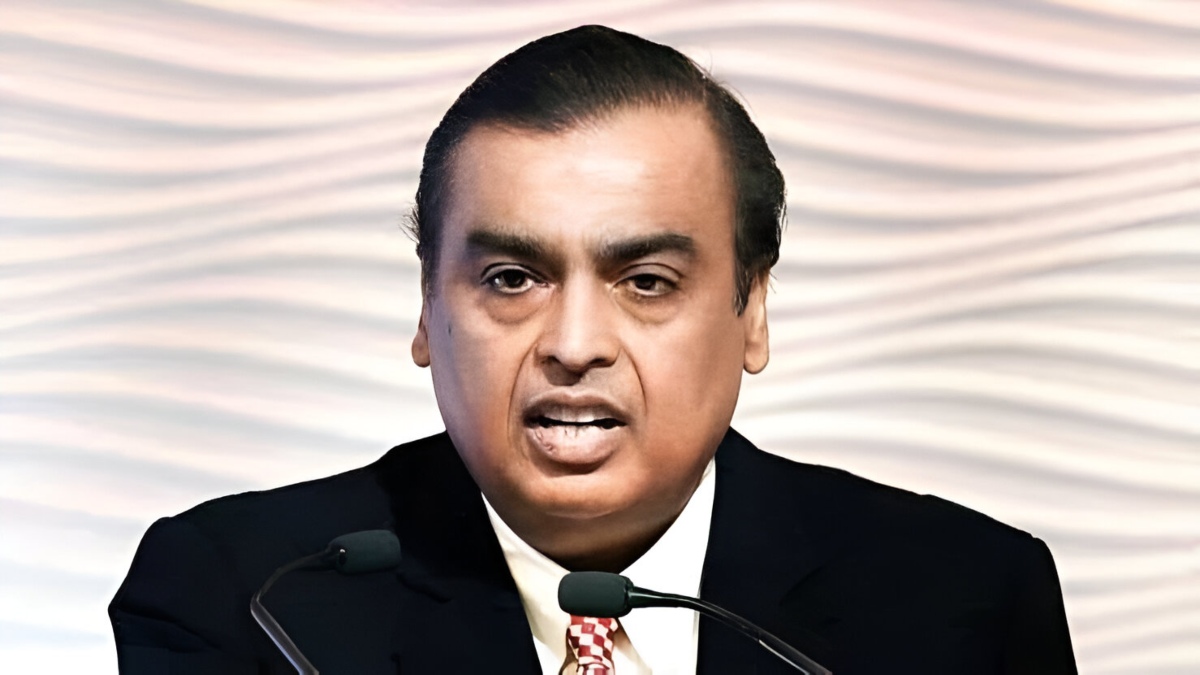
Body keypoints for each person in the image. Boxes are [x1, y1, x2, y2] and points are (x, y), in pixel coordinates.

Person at [109, 25, 1077, 674]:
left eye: (646, 282)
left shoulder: (964, 600)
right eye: (511, 279)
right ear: (426, 309)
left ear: (751, 310)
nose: (573, 346)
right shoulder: (247, 597)